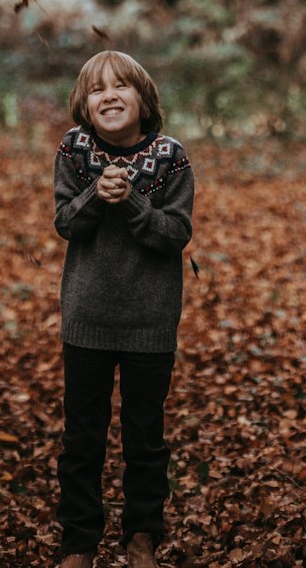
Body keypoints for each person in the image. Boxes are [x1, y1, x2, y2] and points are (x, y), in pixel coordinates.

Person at [52, 49, 195, 568]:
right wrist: (96, 194)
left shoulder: (171, 157)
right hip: (86, 320)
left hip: (148, 324)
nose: (108, 96)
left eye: (120, 86)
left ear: (143, 97)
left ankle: (141, 537)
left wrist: (133, 199)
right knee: (81, 439)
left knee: (145, 440)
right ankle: (79, 544)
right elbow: (66, 222)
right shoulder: (74, 149)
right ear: (84, 105)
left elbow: (175, 234)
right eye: (96, 90)